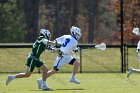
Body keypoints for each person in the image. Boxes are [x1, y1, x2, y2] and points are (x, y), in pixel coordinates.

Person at [37, 26, 82, 90]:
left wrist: (54, 47)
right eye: (77, 34)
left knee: (77, 63)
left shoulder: (66, 36)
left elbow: (55, 41)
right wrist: (76, 49)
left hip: (66, 56)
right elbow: (74, 50)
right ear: (74, 33)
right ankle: (41, 80)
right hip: (62, 57)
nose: (78, 36)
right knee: (53, 71)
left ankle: (72, 78)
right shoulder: (75, 41)